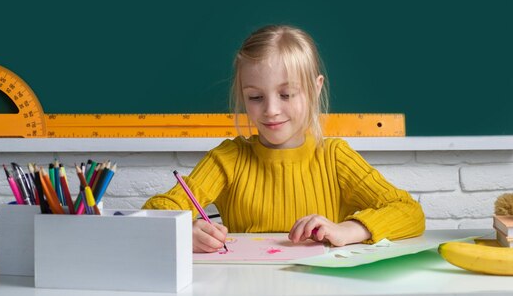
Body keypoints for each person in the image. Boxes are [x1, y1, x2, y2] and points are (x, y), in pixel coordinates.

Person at [142, 25, 425, 253]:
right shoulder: (228, 158)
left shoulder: (335, 156)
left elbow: (409, 212)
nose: (271, 110)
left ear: (315, 89)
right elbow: (156, 210)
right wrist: (184, 232)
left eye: (286, 94)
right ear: (242, 94)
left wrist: (348, 230)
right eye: (255, 97)